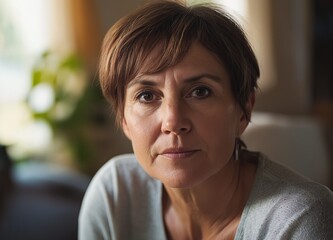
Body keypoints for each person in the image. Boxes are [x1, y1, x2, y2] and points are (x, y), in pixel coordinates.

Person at [78, 1, 333, 239]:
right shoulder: (115, 193)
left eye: (200, 91)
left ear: (244, 109)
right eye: (147, 96)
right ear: (123, 118)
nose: (173, 121)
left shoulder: (299, 219)